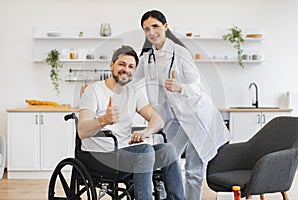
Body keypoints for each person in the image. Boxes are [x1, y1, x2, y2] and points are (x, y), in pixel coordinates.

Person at [132, 10, 232, 200]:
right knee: (166, 162)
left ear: (166, 27)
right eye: (146, 29)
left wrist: (180, 87)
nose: (151, 32)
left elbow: (196, 86)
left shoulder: (181, 53)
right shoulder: (147, 58)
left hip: (196, 116)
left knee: (194, 171)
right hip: (174, 120)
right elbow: (129, 80)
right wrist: (100, 86)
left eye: (155, 26)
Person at [78, 45, 184, 200]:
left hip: (123, 153)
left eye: (131, 66)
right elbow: (82, 130)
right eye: (122, 64)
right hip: (100, 156)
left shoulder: (133, 92)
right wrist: (103, 120)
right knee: (145, 151)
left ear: (134, 71)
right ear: (112, 65)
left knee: (167, 149)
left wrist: (146, 132)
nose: (126, 69)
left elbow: (158, 120)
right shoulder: (93, 91)